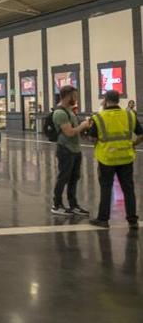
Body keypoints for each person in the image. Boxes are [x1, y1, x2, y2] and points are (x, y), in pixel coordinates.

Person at [88, 90, 141, 228]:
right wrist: (133, 144)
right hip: (126, 157)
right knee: (128, 189)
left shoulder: (98, 117)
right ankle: (132, 219)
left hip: (107, 158)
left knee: (106, 188)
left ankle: (103, 219)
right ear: (119, 100)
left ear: (105, 100)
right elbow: (141, 134)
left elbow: (92, 138)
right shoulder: (130, 115)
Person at [50, 85, 91, 216]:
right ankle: (57, 205)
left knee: (74, 178)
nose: (76, 98)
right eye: (75, 95)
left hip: (75, 149)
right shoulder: (60, 113)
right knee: (63, 177)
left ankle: (73, 205)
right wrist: (83, 125)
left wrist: (85, 126)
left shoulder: (70, 111)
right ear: (68, 96)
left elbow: (75, 130)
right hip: (65, 150)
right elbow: (69, 132)